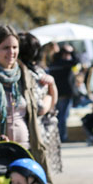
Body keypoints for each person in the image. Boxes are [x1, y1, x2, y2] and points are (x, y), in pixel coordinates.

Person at [0, 25, 52, 184]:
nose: (11, 52)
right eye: (5, 48)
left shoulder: (26, 75)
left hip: (27, 153)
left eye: (14, 47)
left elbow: (41, 109)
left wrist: (52, 88)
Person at [17, 32, 62, 174]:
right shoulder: (35, 71)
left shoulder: (30, 72)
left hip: (38, 133)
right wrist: (51, 91)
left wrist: (50, 91)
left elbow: (42, 107)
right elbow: (44, 106)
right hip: (38, 133)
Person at [47, 44, 80, 142]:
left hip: (57, 93)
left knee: (58, 116)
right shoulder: (66, 63)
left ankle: (57, 136)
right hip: (65, 93)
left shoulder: (53, 63)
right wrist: (73, 51)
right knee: (63, 117)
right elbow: (77, 61)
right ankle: (63, 137)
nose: (68, 55)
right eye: (67, 53)